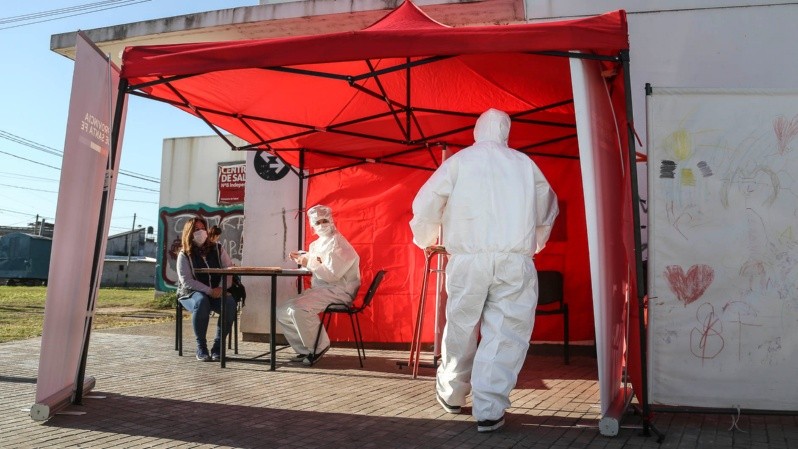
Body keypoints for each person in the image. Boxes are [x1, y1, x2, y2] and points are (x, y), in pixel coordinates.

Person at [409, 108, 559, 433]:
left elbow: (426, 202)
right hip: (514, 260)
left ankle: (451, 392)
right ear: (506, 131)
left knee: (461, 325)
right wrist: (535, 244)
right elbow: (547, 207)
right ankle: (489, 408)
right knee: (507, 331)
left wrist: (425, 236)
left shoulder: (459, 162)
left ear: (477, 130)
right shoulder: (524, 164)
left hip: (468, 259)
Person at [277, 204, 361, 366]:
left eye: (324, 220)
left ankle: (319, 346)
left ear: (331, 220)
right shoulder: (317, 244)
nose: (322, 225)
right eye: (317, 222)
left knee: (298, 309)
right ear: (312, 225)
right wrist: (302, 257)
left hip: (339, 291)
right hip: (321, 290)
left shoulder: (339, 243)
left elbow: (331, 275)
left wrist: (307, 261)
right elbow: (316, 261)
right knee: (281, 311)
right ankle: (304, 349)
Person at [176, 217, 237, 362]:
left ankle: (218, 348)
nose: (201, 232)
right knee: (201, 301)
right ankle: (201, 347)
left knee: (229, 303)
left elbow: (228, 270)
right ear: (189, 233)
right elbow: (187, 281)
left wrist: (221, 289)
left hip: (217, 291)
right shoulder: (184, 254)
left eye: (203, 228)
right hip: (191, 294)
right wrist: (209, 291)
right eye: (196, 229)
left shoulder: (218, 248)